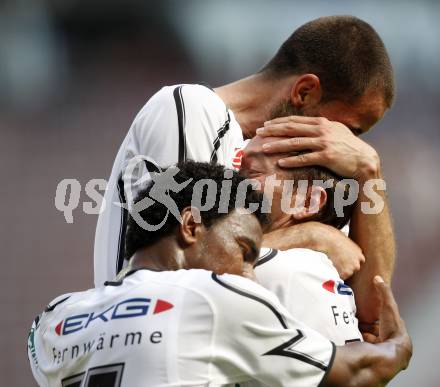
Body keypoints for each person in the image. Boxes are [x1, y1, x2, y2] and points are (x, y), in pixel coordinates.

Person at [94, 16, 395, 329]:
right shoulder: (192, 110)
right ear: (305, 92)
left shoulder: (298, 170)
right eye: (349, 130)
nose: (347, 145)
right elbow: (180, 266)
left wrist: (369, 168)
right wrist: (306, 235)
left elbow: (374, 312)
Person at [29, 162, 411, 387]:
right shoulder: (212, 298)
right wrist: (396, 346)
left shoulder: (54, 320)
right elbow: (359, 369)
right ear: (191, 225)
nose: (250, 277)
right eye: (245, 252)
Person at [240, 135, 363, 345]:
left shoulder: (284, 272)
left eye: (252, 174)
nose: (230, 186)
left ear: (307, 201)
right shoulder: (323, 254)